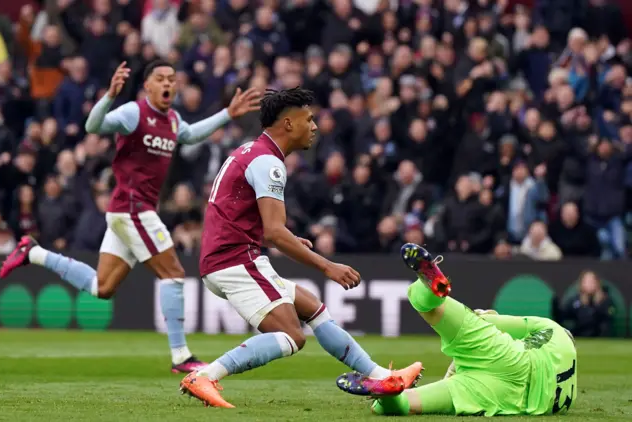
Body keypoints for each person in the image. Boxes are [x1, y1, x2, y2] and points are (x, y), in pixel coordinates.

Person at [0, 60, 260, 374]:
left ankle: (33, 252)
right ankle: (181, 356)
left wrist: (227, 115)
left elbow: (190, 135)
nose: (168, 84)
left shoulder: (173, 120)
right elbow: (93, 127)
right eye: (160, 78)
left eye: (172, 79)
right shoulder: (134, 113)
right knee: (174, 274)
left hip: (127, 213)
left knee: (102, 287)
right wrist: (109, 95)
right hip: (133, 208)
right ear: (147, 85)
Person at [179, 87, 423, 408]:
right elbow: (275, 233)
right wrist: (327, 266)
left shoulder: (249, 151)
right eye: (308, 119)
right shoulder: (269, 162)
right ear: (289, 124)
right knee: (293, 337)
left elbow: (254, 222)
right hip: (236, 261)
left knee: (313, 308)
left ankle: (379, 375)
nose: (315, 126)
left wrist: (288, 238)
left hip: (229, 256)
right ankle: (205, 375)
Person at [336, 243, 578, 417]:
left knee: (428, 305)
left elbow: (489, 321)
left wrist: (480, 318)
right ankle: (387, 394)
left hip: (511, 359)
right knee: (407, 404)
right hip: (507, 397)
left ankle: (431, 289)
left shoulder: (554, 331)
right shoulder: (570, 395)